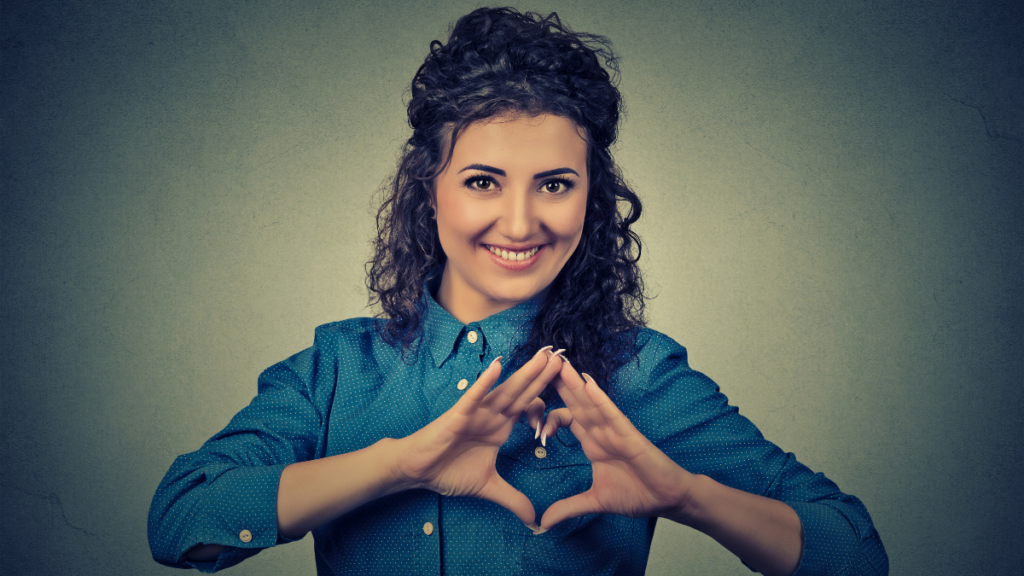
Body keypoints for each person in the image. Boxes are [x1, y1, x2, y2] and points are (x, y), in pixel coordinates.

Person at [149, 7, 887, 575]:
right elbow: (183, 519)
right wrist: (401, 464)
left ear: (591, 199)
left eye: (555, 185)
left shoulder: (637, 376)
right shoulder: (337, 369)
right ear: (428, 192)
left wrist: (688, 497)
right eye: (482, 182)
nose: (521, 220)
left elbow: (853, 551)